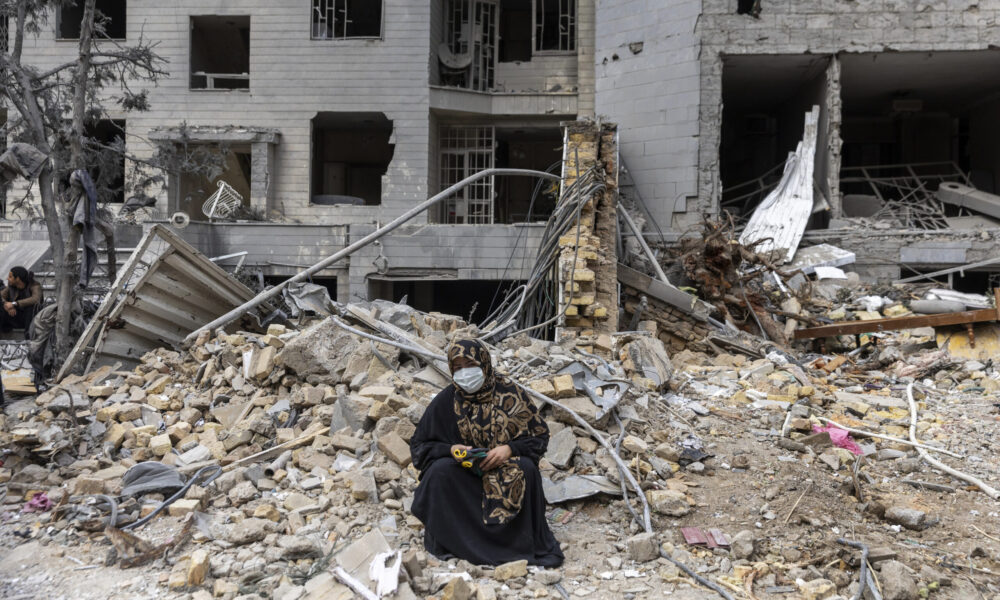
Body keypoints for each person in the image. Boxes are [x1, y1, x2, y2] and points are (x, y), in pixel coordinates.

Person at [410, 339, 564, 567]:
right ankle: (455, 540)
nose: (464, 373)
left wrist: (510, 449)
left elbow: (539, 437)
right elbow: (420, 447)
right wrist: (451, 450)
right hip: (466, 475)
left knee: (527, 469)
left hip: (504, 469)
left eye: (469, 365)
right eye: (458, 368)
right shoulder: (446, 401)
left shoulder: (511, 393)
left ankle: (515, 543)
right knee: (438, 472)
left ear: (484, 364)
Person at [0, 266, 42, 332]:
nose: (7, 278)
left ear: (18, 279)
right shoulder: (11, 286)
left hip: (31, 319)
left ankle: (28, 335)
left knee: (30, 307)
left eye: (10, 277)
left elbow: (36, 299)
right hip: (15, 316)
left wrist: (15, 304)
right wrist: (7, 305)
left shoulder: (34, 285)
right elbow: (1, 296)